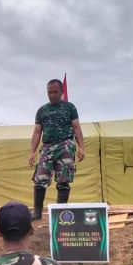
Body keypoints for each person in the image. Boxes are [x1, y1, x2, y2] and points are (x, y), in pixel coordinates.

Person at [27, 78, 84, 220]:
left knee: (63, 180)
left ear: (61, 92)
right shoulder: (42, 110)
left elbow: (76, 127)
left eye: (55, 92)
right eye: (49, 92)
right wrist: (32, 152)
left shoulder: (70, 107)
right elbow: (37, 132)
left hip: (65, 145)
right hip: (47, 147)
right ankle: (37, 213)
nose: (52, 95)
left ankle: (60, 215)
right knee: (40, 178)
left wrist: (81, 147)